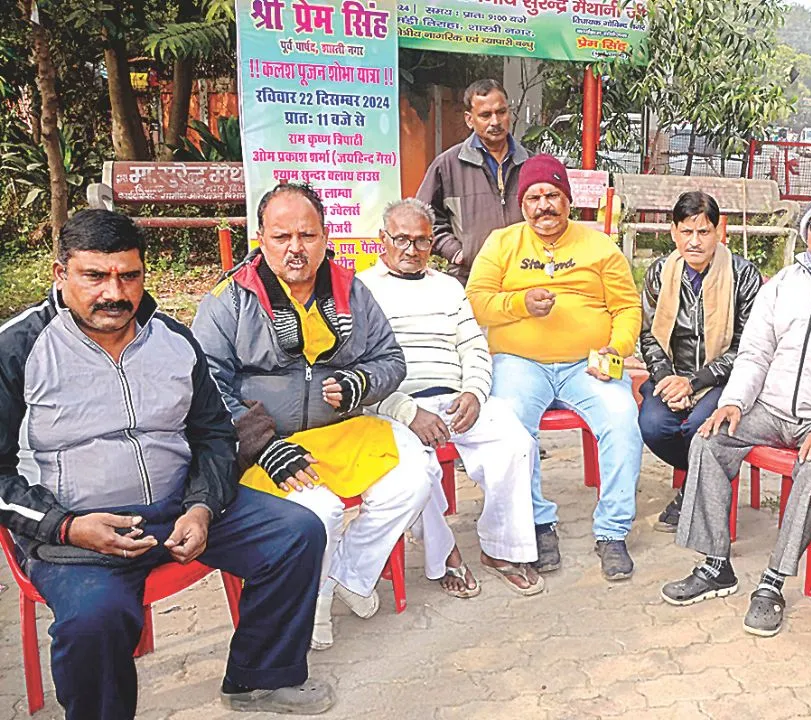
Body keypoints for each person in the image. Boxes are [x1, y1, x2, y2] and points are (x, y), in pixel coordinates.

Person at [0, 209, 334, 716]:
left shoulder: (173, 340)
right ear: (60, 273)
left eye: (128, 276)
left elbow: (214, 435)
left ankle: (259, 677)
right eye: (95, 276)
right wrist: (65, 526)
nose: (115, 293)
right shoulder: (18, 347)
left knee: (297, 532)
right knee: (95, 618)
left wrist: (201, 507)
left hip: (180, 506)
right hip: (79, 526)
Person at [193, 184, 436, 651]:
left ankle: (347, 576)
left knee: (416, 473)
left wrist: (357, 384)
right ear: (260, 238)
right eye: (282, 236)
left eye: (307, 235)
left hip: (338, 431)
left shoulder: (351, 289)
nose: (295, 248)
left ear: (326, 237)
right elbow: (205, 383)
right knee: (319, 510)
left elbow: (390, 360)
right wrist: (261, 443)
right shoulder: (230, 298)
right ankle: (314, 603)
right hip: (264, 445)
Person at [661, 190, 811, 637]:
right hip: (771, 409)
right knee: (709, 439)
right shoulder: (784, 284)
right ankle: (716, 564)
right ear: (805, 233)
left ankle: (772, 582)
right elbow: (754, 353)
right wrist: (733, 402)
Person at [466, 154, 644, 581]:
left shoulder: (599, 246)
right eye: (534, 197)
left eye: (552, 195)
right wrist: (519, 303)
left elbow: (627, 307)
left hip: (589, 363)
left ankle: (612, 531)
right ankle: (538, 523)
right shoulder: (502, 243)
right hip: (519, 362)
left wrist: (613, 352)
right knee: (510, 428)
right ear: (522, 204)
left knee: (623, 421)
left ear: (567, 200)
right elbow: (474, 301)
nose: (544, 205)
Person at [359, 198, 544, 597]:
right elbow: (361, 373)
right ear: (382, 240)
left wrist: (475, 393)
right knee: (417, 470)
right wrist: (408, 412)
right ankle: (446, 556)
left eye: (422, 241)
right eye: (401, 240)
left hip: (455, 399)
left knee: (516, 443)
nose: (412, 250)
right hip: (398, 407)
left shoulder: (448, 287)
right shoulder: (362, 291)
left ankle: (501, 548)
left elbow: (475, 348)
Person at [639, 191, 762, 533]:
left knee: (700, 428)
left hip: (722, 379)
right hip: (671, 376)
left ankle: (691, 493)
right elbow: (648, 334)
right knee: (653, 425)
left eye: (704, 232)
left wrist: (694, 382)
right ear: (673, 232)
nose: (695, 242)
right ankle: (702, 477)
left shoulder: (743, 275)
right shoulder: (660, 273)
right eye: (687, 232)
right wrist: (666, 379)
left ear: (719, 232)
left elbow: (748, 347)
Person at [416, 78, 529, 283]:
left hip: (524, 276)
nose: (495, 122)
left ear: (509, 113)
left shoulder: (530, 163)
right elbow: (422, 216)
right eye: (485, 115)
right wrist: (455, 252)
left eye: (501, 112)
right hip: (469, 278)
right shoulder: (448, 165)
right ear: (469, 119)